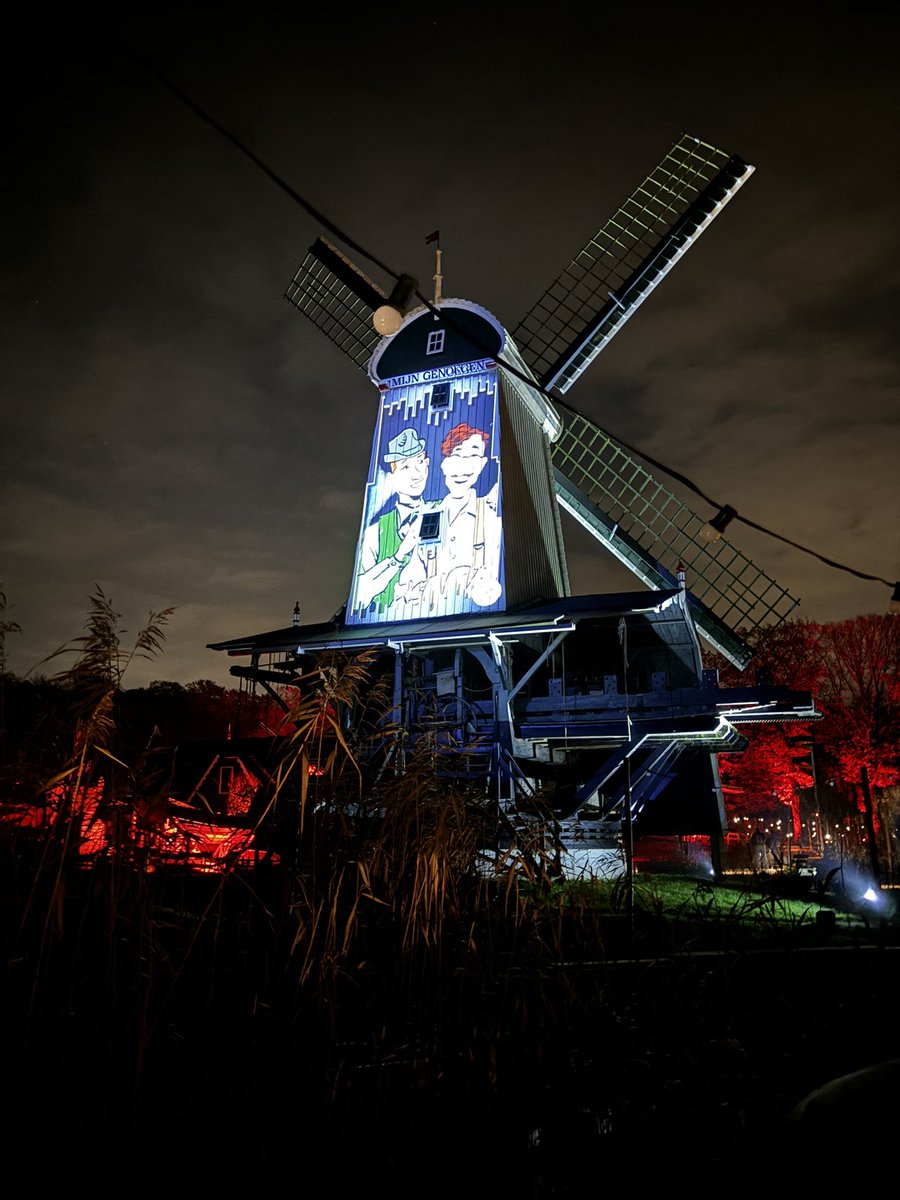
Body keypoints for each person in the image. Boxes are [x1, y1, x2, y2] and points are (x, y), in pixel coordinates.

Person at [422, 422, 502, 613]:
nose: (464, 465)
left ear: (482, 464)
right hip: (426, 622)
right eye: (457, 454)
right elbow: (408, 584)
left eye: (474, 456)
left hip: (478, 616)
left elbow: (491, 586)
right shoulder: (426, 518)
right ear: (444, 463)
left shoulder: (491, 518)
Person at [351, 427, 431, 613]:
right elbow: (359, 598)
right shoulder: (375, 531)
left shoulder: (443, 511)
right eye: (405, 466)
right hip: (383, 630)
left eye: (420, 461)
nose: (416, 473)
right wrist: (397, 557)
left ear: (427, 463)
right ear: (392, 475)